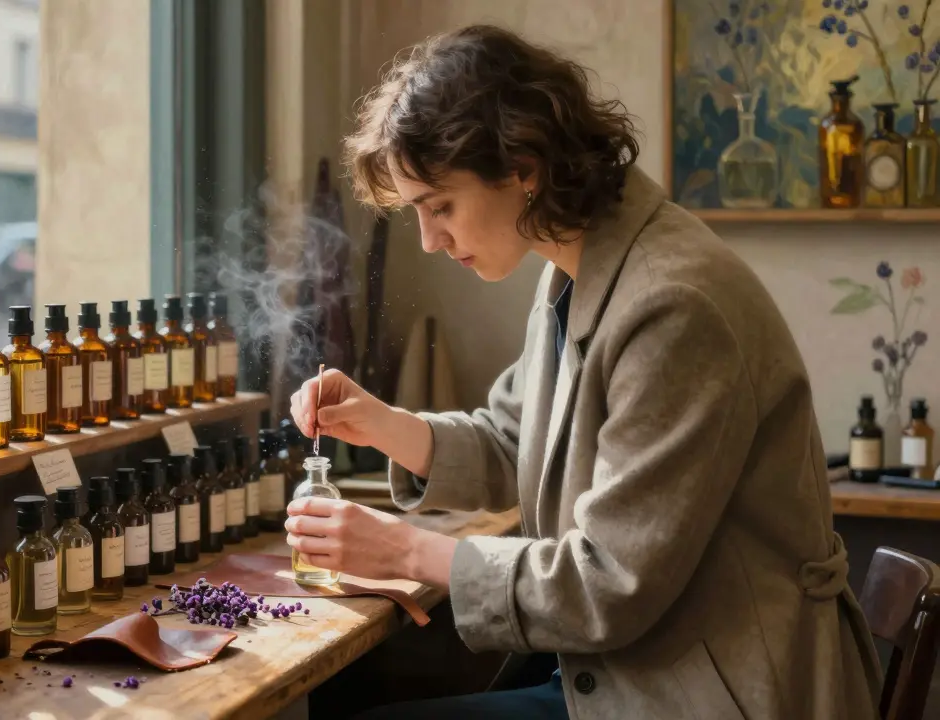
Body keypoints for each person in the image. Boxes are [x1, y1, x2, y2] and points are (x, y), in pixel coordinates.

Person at [286, 25, 880, 720]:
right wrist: (385, 425)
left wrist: (409, 553)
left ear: (524, 169)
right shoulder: (578, 267)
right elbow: (518, 442)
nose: (429, 239)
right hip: (641, 665)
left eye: (439, 206)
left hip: (712, 690)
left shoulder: (672, 304)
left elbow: (610, 583)